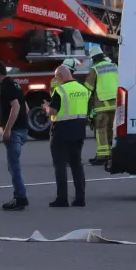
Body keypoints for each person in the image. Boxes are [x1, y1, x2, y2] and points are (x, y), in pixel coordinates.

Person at [47, 63, 90, 207]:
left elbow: (53, 111)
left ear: (60, 76)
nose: (55, 80)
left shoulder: (60, 91)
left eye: (56, 77)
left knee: (60, 165)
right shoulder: (83, 89)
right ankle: (80, 198)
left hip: (61, 131)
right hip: (79, 130)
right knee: (77, 164)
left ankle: (62, 198)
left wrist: (45, 107)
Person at [0, 62, 30, 211]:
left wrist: (7, 129)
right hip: (22, 129)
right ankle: (20, 196)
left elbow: (16, 106)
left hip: (15, 131)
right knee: (14, 165)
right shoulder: (15, 84)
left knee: (14, 166)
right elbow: (26, 108)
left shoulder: (6, 85)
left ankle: (20, 197)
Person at [86, 47, 119, 167]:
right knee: (111, 130)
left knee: (101, 131)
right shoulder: (114, 66)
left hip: (101, 106)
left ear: (94, 58)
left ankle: (102, 156)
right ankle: (111, 154)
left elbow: (88, 88)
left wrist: (87, 107)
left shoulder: (95, 69)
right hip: (116, 105)